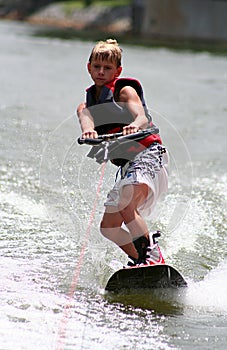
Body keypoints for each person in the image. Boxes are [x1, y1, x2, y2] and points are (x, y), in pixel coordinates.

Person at [77, 39, 168, 266]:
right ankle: (140, 260)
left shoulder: (125, 91)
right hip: (129, 165)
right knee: (108, 227)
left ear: (118, 71)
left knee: (127, 205)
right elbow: (87, 123)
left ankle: (152, 254)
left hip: (148, 154)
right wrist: (89, 133)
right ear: (89, 67)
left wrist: (135, 124)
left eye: (107, 68)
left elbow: (142, 116)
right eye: (97, 66)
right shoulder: (86, 106)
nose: (101, 72)